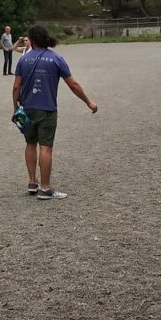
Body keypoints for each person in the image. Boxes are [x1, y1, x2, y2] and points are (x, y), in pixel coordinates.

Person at [12, 25, 98, 200]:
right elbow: (73, 85)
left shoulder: (23, 60)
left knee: (30, 144)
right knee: (46, 147)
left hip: (27, 108)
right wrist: (88, 102)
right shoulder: (56, 59)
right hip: (47, 109)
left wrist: (16, 108)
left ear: (32, 40)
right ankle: (45, 188)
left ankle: (32, 182)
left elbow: (16, 87)